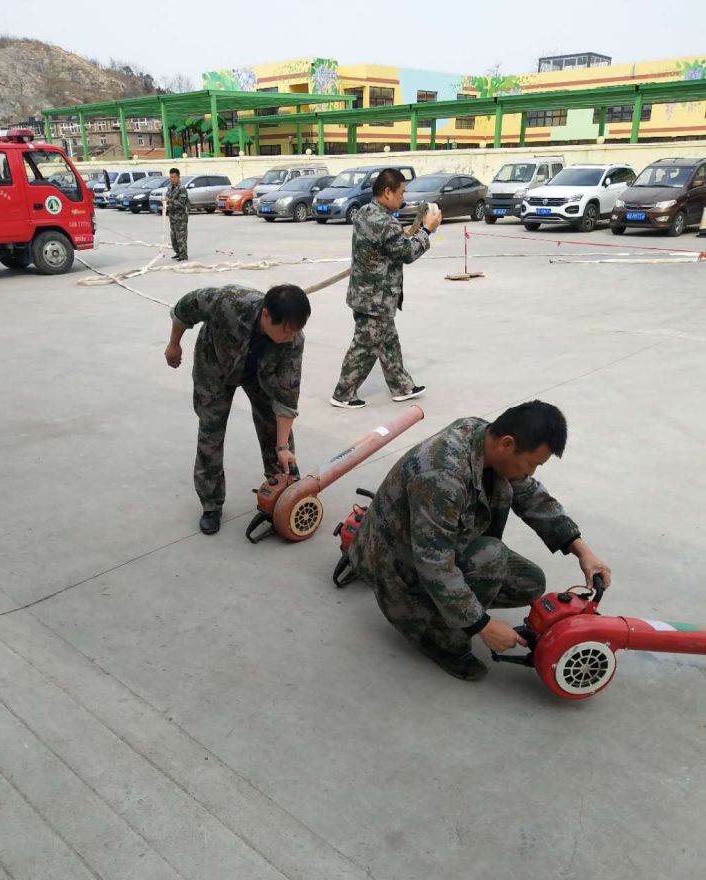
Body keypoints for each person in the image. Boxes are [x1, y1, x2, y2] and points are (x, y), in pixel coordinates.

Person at [347, 401, 612, 681]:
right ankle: (436, 635)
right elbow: (434, 564)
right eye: (532, 463)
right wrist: (482, 625)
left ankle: (451, 611)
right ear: (507, 444)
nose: (532, 472)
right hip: (396, 565)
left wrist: (581, 550)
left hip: (433, 545)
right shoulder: (442, 475)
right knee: (491, 556)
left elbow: (533, 497)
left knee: (530, 582)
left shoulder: (487, 439)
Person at [165, 284, 311, 536]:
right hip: (215, 367)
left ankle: (284, 494)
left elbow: (286, 396)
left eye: (295, 331)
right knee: (211, 432)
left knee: (275, 430)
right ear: (266, 315)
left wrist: (282, 447)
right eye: (286, 331)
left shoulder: (293, 340)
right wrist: (173, 344)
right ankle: (211, 505)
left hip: (260, 374)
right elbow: (185, 308)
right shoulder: (228, 302)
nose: (291, 337)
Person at [330, 168, 442, 409]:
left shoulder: (365, 212)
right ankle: (343, 393)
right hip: (375, 299)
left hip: (366, 294)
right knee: (364, 347)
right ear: (387, 192)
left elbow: (384, 242)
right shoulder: (384, 222)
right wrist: (427, 230)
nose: (403, 197)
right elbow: (408, 253)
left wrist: (402, 234)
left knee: (389, 342)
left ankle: (402, 386)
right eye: (401, 193)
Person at [165, 167, 189, 262]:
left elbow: (181, 203)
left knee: (181, 237)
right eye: (171, 177)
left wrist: (169, 201)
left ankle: (183, 256)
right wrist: (164, 201)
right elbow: (167, 197)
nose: (172, 179)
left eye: (174, 177)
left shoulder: (182, 189)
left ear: (178, 177)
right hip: (172, 216)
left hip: (181, 217)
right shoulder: (170, 187)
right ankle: (178, 253)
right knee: (173, 236)